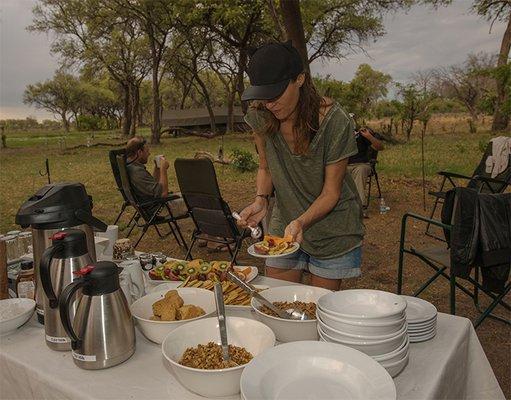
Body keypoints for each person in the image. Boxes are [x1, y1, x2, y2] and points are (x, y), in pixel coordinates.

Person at [237, 41, 364, 290]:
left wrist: (302, 222)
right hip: (284, 221)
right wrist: (261, 200)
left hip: (332, 228)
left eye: (276, 93)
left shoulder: (335, 122)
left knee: (318, 309)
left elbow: (331, 193)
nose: (269, 103)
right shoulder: (261, 115)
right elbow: (265, 167)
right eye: (263, 96)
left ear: (300, 79)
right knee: (278, 304)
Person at [125, 136, 187, 217]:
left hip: (152, 205)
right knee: (197, 200)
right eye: (147, 151)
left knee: (188, 195)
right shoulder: (137, 172)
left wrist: (157, 168)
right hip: (159, 209)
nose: (149, 154)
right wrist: (163, 169)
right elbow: (163, 193)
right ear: (139, 152)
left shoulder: (131, 166)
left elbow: (153, 187)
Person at [347, 127, 385, 208]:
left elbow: (380, 147)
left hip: (361, 165)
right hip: (343, 166)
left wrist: (369, 136)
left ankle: (359, 206)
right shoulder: (339, 135)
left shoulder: (360, 135)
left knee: (360, 170)